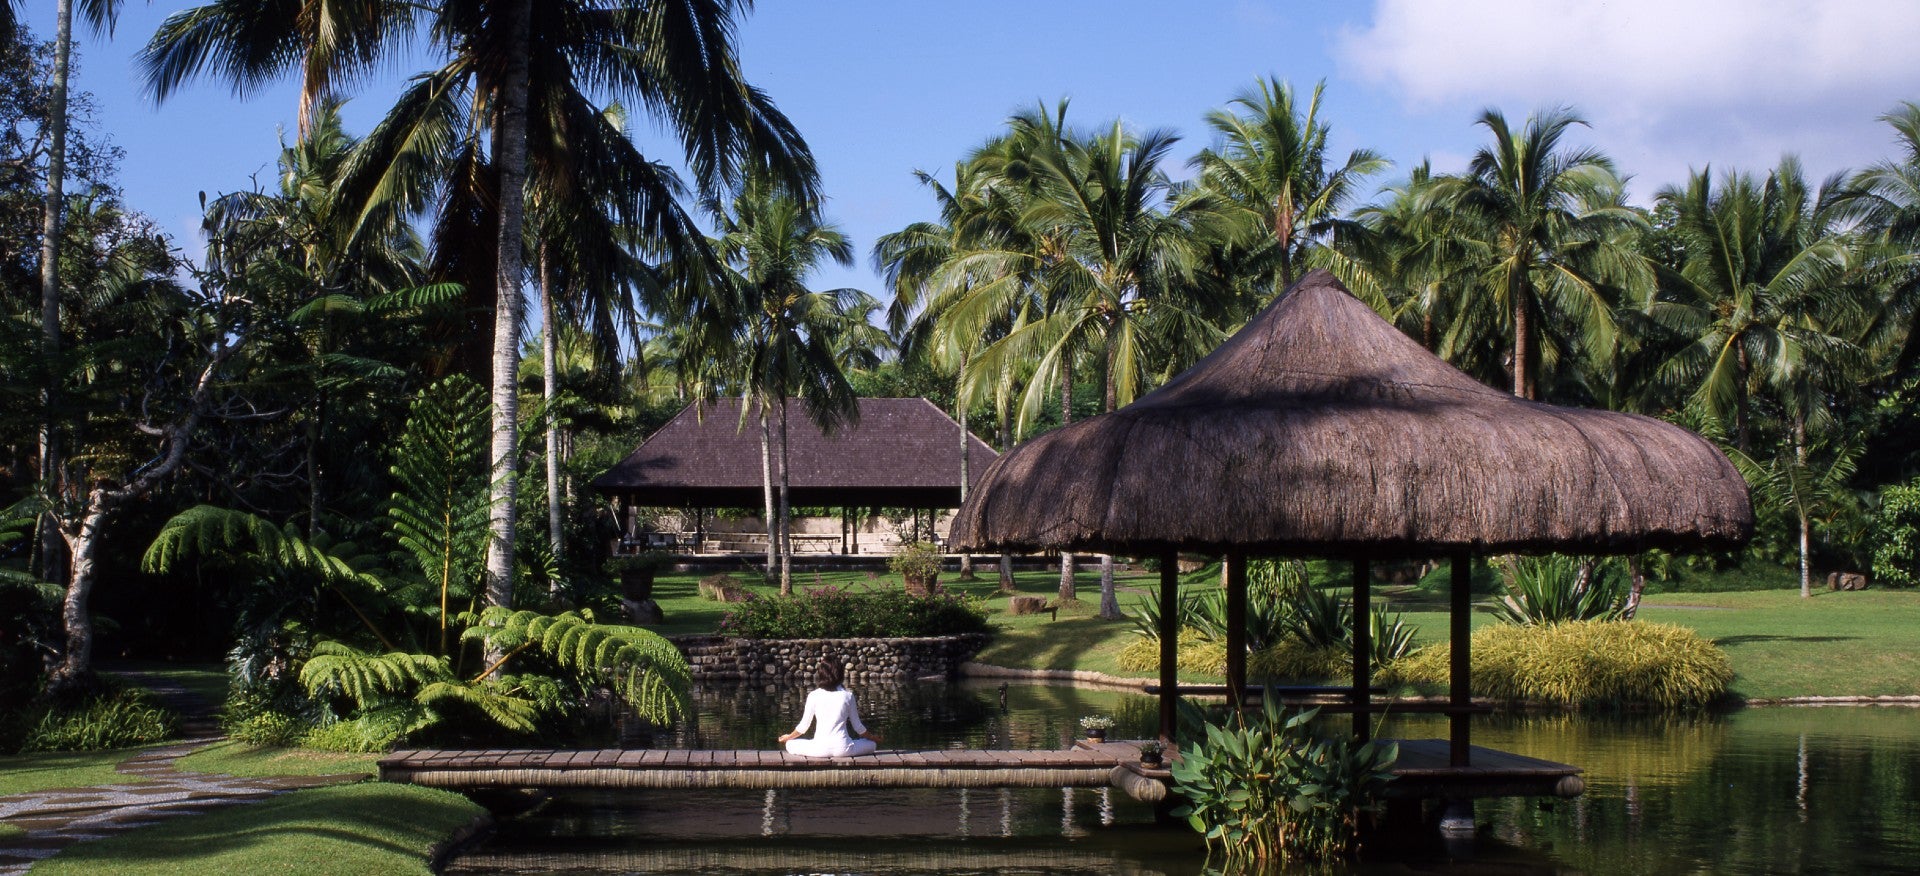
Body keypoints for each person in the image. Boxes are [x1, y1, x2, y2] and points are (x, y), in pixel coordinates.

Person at [778, 663, 881, 757]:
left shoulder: (814, 695)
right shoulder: (848, 696)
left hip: (819, 749)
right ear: (840, 675)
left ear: (821, 675)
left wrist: (789, 737)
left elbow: (803, 727)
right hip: (844, 749)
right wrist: (873, 738)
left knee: (790, 744)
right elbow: (858, 728)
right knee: (872, 744)